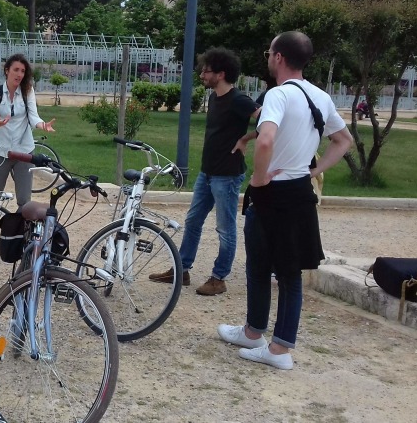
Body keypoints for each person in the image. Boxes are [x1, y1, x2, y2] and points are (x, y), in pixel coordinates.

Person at [217, 31, 352, 370]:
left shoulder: (278, 95)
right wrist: (314, 170)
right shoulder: (321, 97)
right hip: (299, 192)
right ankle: (263, 337)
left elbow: (265, 141)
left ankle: (271, 346)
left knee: (261, 266)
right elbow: (343, 140)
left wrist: (260, 178)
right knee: (287, 271)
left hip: (271, 192)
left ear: (278, 57)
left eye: (269, 50)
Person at [149, 48, 259, 296]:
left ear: (221, 74)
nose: (201, 74)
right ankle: (182, 269)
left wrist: (247, 138)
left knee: (225, 228)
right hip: (207, 173)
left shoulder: (239, 99)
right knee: (193, 221)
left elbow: (268, 120)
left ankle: (219, 278)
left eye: (206, 70)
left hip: (227, 175)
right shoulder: (215, 98)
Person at [0, 54, 55, 231]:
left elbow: (33, 116)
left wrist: (42, 125)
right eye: (16, 70)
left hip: (24, 151)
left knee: (24, 200)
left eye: (23, 71)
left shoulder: (27, 91)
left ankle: (22, 237)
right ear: (7, 70)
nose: (19, 74)